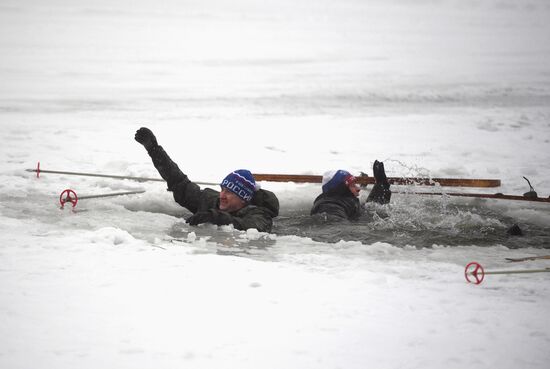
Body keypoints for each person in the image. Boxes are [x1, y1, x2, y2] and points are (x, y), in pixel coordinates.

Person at [134, 127, 279, 232]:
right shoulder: (211, 200)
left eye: (229, 192)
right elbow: (179, 182)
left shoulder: (261, 215)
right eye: (222, 189)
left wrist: (215, 217)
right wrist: (154, 150)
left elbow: (251, 226)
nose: (221, 195)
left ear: (243, 198)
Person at [310, 161, 391, 220]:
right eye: (352, 185)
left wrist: (381, 186)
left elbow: (368, 210)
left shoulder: (343, 202)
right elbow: (334, 225)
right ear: (341, 188)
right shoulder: (328, 205)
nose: (358, 188)